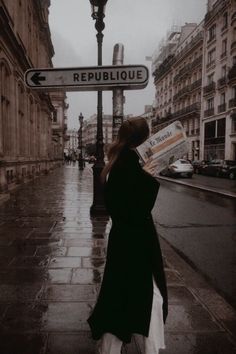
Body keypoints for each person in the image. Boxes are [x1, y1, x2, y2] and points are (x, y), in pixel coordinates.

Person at [87, 117, 168, 354]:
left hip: (123, 240)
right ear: (143, 138)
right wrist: (150, 177)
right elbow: (138, 209)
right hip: (136, 243)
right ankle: (148, 349)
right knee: (150, 300)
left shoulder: (119, 161)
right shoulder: (132, 165)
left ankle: (111, 348)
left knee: (119, 297)